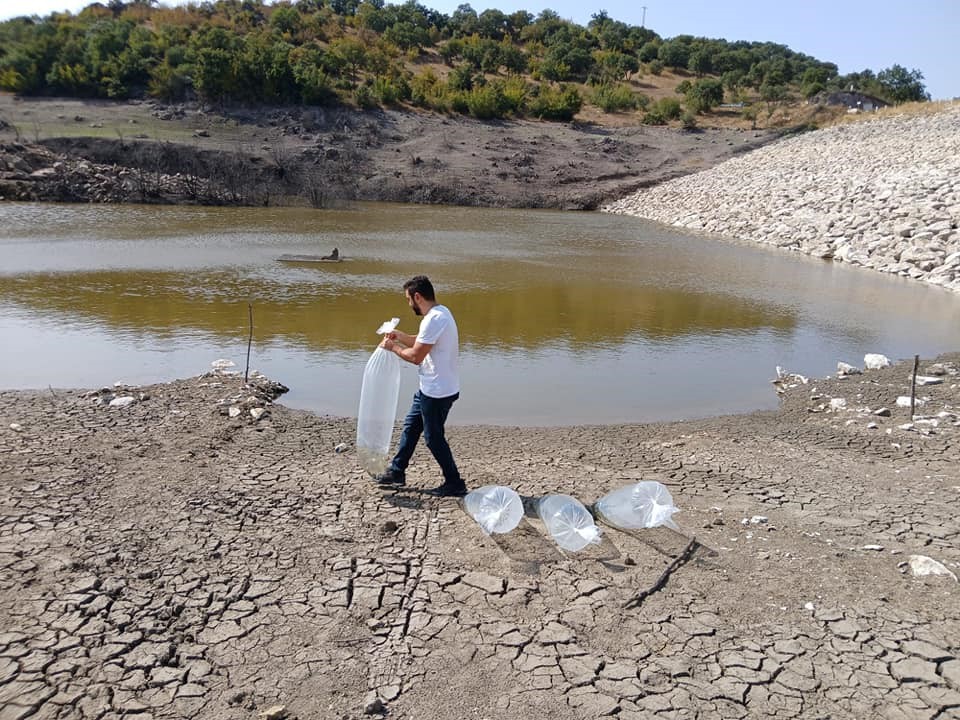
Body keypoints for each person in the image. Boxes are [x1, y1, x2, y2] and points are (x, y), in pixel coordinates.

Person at [376, 276, 466, 497]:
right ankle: (397, 472)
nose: (409, 305)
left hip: (438, 391)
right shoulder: (441, 312)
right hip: (431, 387)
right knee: (411, 427)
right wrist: (400, 336)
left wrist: (392, 347)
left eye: (409, 299)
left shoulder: (433, 319)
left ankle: (455, 482)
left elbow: (416, 356)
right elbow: (422, 340)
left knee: (433, 439)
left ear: (418, 297)